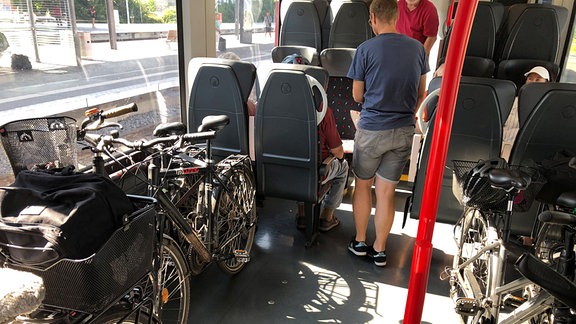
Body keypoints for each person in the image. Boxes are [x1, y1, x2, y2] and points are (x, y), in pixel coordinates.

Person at [347, 0, 428, 266]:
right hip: (402, 131)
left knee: (362, 186)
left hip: (371, 129)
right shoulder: (417, 49)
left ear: (372, 17)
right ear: (397, 16)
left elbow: (358, 95)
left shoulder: (365, 49)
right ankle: (380, 249)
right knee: (386, 192)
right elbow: (421, 94)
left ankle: (360, 241)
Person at [282, 54, 350, 232]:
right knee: (343, 168)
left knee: (299, 165)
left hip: (285, 169)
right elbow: (338, 152)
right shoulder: (322, 109)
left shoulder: (272, 107)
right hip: (316, 171)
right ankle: (327, 217)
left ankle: (303, 215)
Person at [501, 66, 550, 160]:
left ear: (546, 83)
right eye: (530, 78)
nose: (533, 82)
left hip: (528, 150)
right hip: (504, 144)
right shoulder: (512, 100)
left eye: (538, 79)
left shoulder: (547, 105)